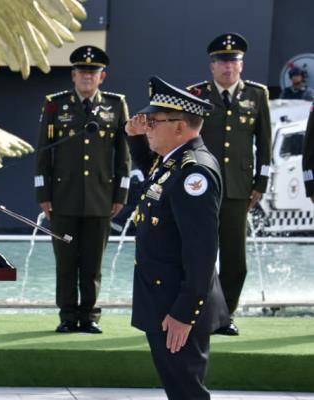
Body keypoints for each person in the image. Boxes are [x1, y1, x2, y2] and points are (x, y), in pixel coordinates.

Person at [125, 76, 230, 400]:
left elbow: (201, 252)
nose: (149, 127)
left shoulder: (192, 172)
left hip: (177, 305)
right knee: (177, 387)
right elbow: (153, 177)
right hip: (163, 299)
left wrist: (185, 311)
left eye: (154, 122)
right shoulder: (172, 162)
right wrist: (135, 139)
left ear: (180, 126)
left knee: (187, 391)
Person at [34, 45, 131, 334]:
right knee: (66, 263)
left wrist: (121, 194)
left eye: (93, 72)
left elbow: (123, 154)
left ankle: (89, 316)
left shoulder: (115, 105)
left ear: (103, 76)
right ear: (73, 75)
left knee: (92, 263)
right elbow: (43, 153)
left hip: (101, 198)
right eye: (82, 72)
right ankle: (67, 315)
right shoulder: (55, 104)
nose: (87, 77)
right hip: (63, 198)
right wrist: (44, 195)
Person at [187, 32, 271, 336]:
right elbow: (185, 141)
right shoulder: (195, 95)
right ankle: (197, 313)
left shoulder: (257, 95)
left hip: (238, 188)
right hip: (200, 188)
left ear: (241, 65)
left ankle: (225, 316)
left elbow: (264, 144)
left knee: (235, 260)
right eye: (222, 62)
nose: (227, 68)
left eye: (233, 62)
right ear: (212, 67)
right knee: (200, 255)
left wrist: (260, 182)